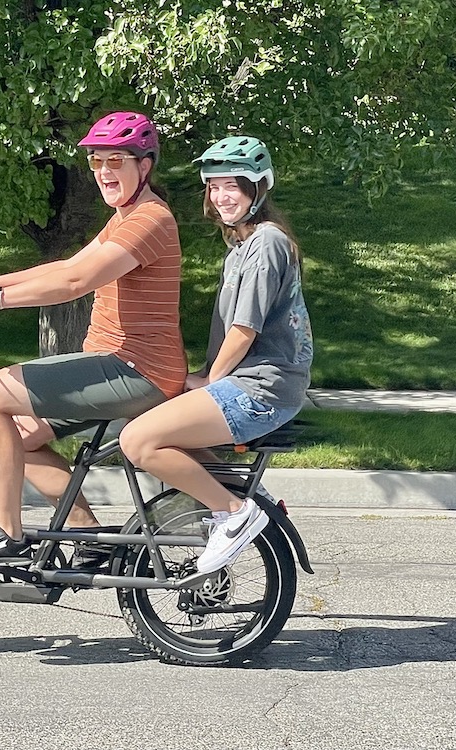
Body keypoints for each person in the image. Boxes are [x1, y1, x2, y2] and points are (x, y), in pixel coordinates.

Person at [0, 111, 187, 569]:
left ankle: (6, 535)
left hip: (136, 370)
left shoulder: (149, 220)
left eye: (116, 161)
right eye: (96, 162)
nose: (104, 172)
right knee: (16, 436)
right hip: (116, 364)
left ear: (144, 165)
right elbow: (67, 265)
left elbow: (75, 282)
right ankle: (88, 535)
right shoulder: (127, 217)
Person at [119, 135, 313, 575]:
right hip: (252, 381)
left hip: (261, 388)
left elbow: (244, 331)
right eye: (214, 186)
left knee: (138, 441)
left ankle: (234, 513)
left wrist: (209, 380)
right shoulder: (242, 246)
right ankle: (235, 507)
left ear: (257, 189)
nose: (221, 196)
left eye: (233, 186)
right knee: (151, 417)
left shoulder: (266, 243)